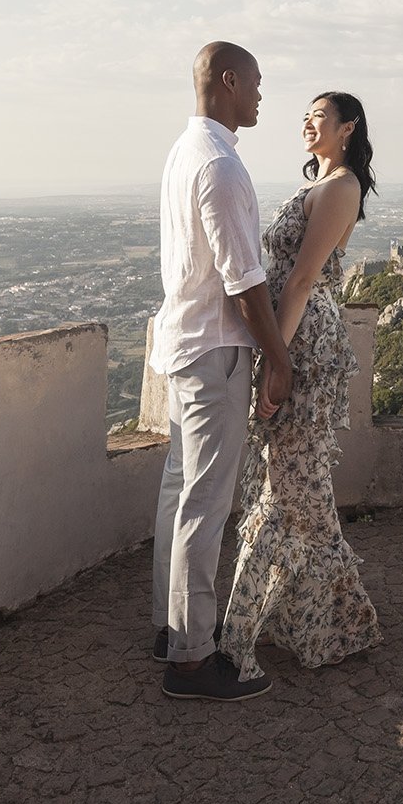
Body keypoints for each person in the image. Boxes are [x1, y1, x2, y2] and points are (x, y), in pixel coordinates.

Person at [150, 42, 294, 702]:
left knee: (180, 494)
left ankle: (170, 628)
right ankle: (190, 659)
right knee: (204, 504)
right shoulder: (222, 166)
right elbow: (244, 284)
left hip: (182, 345)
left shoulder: (185, 152)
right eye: (257, 84)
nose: (262, 96)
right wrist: (279, 357)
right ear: (229, 81)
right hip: (215, 353)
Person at [221, 90, 381, 678]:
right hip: (297, 340)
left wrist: (275, 358)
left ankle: (338, 619)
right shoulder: (322, 184)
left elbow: (304, 279)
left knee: (297, 486)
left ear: (348, 128)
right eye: (305, 117)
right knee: (288, 488)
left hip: (307, 346)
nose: (306, 125)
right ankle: (302, 619)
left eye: (318, 117)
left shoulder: (341, 187)